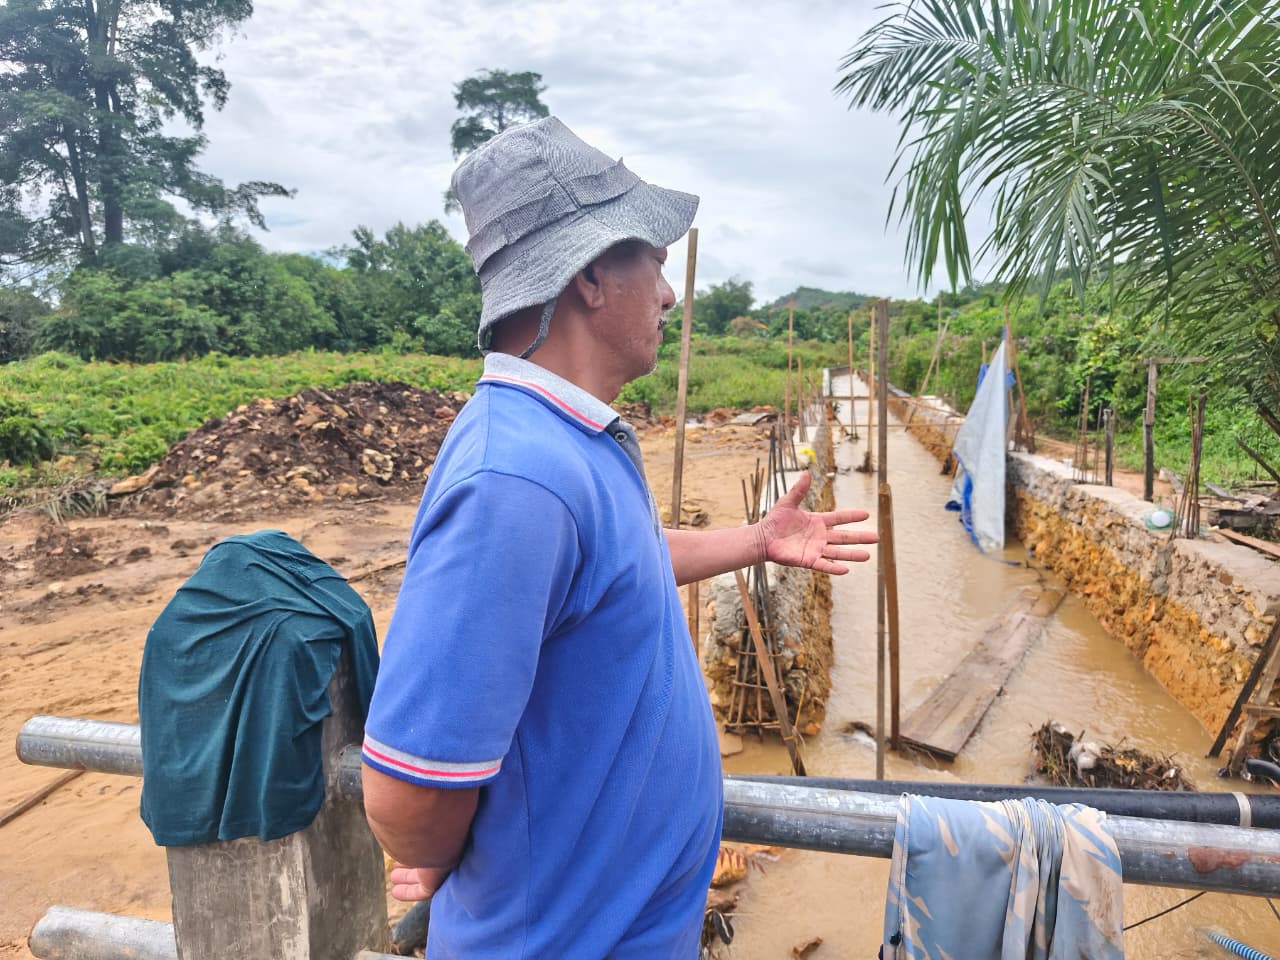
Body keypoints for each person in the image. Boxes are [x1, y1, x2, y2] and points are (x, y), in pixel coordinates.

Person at [361, 116, 878, 959]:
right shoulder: (514, 483)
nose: (670, 294)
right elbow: (404, 798)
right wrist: (446, 860)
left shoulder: (568, 444)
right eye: (655, 261)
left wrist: (754, 541)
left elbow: (614, 568)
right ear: (594, 275)